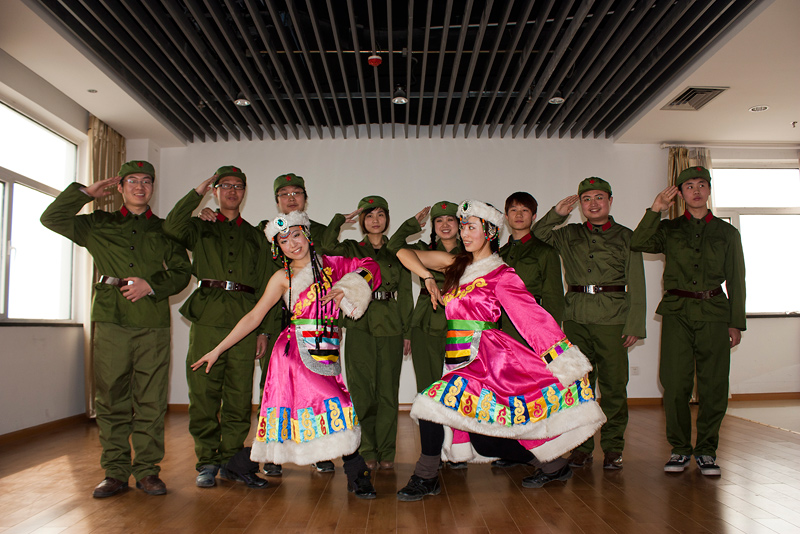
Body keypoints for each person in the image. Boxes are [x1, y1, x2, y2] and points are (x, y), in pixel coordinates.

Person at [393, 200, 606, 501]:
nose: (464, 233)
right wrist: (427, 277)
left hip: (485, 360)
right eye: (463, 227)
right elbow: (403, 252)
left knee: (429, 405)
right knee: (485, 442)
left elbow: (531, 316)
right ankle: (553, 466)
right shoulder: (457, 265)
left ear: (490, 232)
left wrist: (562, 358)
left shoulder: (501, 274)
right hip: (456, 358)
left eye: (472, 227)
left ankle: (426, 477)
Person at [191, 211, 380, 498]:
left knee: (290, 422)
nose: (292, 244)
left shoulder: (333, 265)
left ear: (307, 235)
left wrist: (347, 286)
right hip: (294, 353)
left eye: (296, 235)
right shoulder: (283, 277)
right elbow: (254, 316)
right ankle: (358, 473)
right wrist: (218, 349)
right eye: (284, 241)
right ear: (277, 247)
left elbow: (371, 266)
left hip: (328, 351)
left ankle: (238, 465)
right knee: (339, 406)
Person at [40, 160, 191, 498]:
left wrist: (151, 285)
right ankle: (115, 472)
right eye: (132, 181)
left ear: (153, 187)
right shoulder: (97, 223)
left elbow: (183, 272)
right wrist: (84, 193)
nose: (140, 187)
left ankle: (148, 471)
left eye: (146, 181)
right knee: (110, 398)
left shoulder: (165, 229)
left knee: (151, 399)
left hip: (151, 321)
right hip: (111, 318)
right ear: (120, 187)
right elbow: (51, 218)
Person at [199, 172, 334, 476]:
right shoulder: (265, 233)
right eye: (284, 194)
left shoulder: (321, 232)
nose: (291, 199)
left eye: (296, 193)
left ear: (305, 198)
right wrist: (262, 331)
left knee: (320, 390)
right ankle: (274, 453)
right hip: (276, 324)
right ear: (276, 201)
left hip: (317, 327)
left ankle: (320, 450)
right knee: (273, 390)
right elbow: (261, 282)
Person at [630, 166, 745, 476]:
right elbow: (638, 242)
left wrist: (735, 322)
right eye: (689, 186)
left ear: (709, 190)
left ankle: (707, 451)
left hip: (714, 314)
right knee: (675, 383)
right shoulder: (669, 229)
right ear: (680, 194)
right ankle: (680, 449)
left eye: (701, 185)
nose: (696, 191)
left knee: (714, 386)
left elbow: (736, 279)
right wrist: (655, 209)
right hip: (677, 313)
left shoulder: (727, 233)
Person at [162, 166, 270, 488]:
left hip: (245, 319)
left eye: (238, 186)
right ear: (215, 190)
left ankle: (232, 460)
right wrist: (197, 194)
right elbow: (171, 226)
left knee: (239, 395)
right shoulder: (200, 227)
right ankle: (207, 460)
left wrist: (263, 330)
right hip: (208, 316)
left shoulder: (256, 236)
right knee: (204, 391)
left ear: (244, 192)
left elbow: (266, 284)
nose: (232, 191)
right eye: (225, 186)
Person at [533, 177, 645, 470]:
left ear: (610, 201)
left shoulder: (627, 236)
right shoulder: (568, 234)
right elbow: (536, 236)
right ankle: (581, 448)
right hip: (576, 318)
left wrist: (634, 324)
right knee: (578, 388)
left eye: (599, 197)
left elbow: (637, 281)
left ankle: (613, 448)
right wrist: (557, 214)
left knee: (614, 387)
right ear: (580, 205)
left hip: (613, 319)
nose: (593, 204)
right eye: (586, 199)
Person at [324, 196, 413, 470]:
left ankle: (387, 451)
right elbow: (326, 247)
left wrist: (407, 331)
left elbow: (406, 293)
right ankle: (366, 448)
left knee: (388, 390)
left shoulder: (396, 251)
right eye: (370, 215)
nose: (375, 220)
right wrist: (339, 221)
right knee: (361, 390)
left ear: (387, 219)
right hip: (357, 322)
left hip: (390, 323)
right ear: (362, 221)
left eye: (380, 215)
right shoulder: (352, 249)